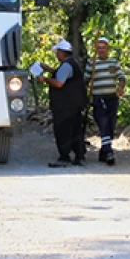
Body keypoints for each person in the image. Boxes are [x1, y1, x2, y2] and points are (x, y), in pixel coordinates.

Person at [37, 40, 87, 168]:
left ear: (62, 52)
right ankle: (79, 156)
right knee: (75, 130)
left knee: (63, 130)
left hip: (65, 106)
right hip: (74, 104)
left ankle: (64, 157)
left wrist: (45, 79)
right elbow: (62, 75)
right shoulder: (71, 64)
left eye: (57, 52)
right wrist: (48, 69)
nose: (56, 54)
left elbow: (59, 83)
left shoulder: (66, 65)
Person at [84, 37, 126, 165]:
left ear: (108, 49)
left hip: (112, 98)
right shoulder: (92, 63)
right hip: (98, 98)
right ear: (95, 49)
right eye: (99, 48)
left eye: (103, 47)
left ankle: (103, 152)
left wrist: (121, 87)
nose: (101, 50)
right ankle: (108, 152)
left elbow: (121, 77)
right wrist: (85, 98)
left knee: (111, 125)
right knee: (103, 123)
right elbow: (85, 81)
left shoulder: (113, 62)